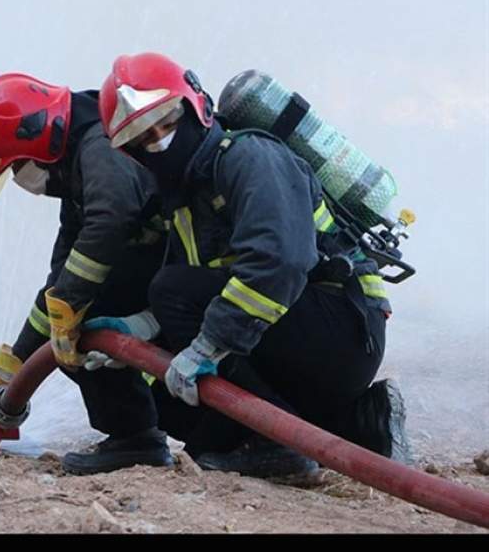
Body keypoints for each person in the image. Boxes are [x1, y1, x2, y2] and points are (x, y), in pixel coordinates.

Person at [94, 52, 411, 477]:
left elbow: (279, 262)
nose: (161, 142)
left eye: (167, 123)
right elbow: (209, 282)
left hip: (341, 330)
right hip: (296, 335)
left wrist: (208, 346)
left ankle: (275, 442)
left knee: (171, 290)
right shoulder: (184, 196)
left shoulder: (250, 157)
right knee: (171, 408)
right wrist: (142, 329)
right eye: (144, 139)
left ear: (197, 107)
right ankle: (361, 423)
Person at [0, 72, 172, 474]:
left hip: (180, 277)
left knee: (82, 319)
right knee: (71, 310)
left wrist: (71, 308)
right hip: (169, 276)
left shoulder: (100, 147)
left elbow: (110, 222)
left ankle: (135, 439)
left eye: (18, 167)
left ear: (38, 135)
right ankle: (146, 433)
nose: (24, 180)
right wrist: (14, 367)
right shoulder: (79, 168)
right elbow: (61, 280)